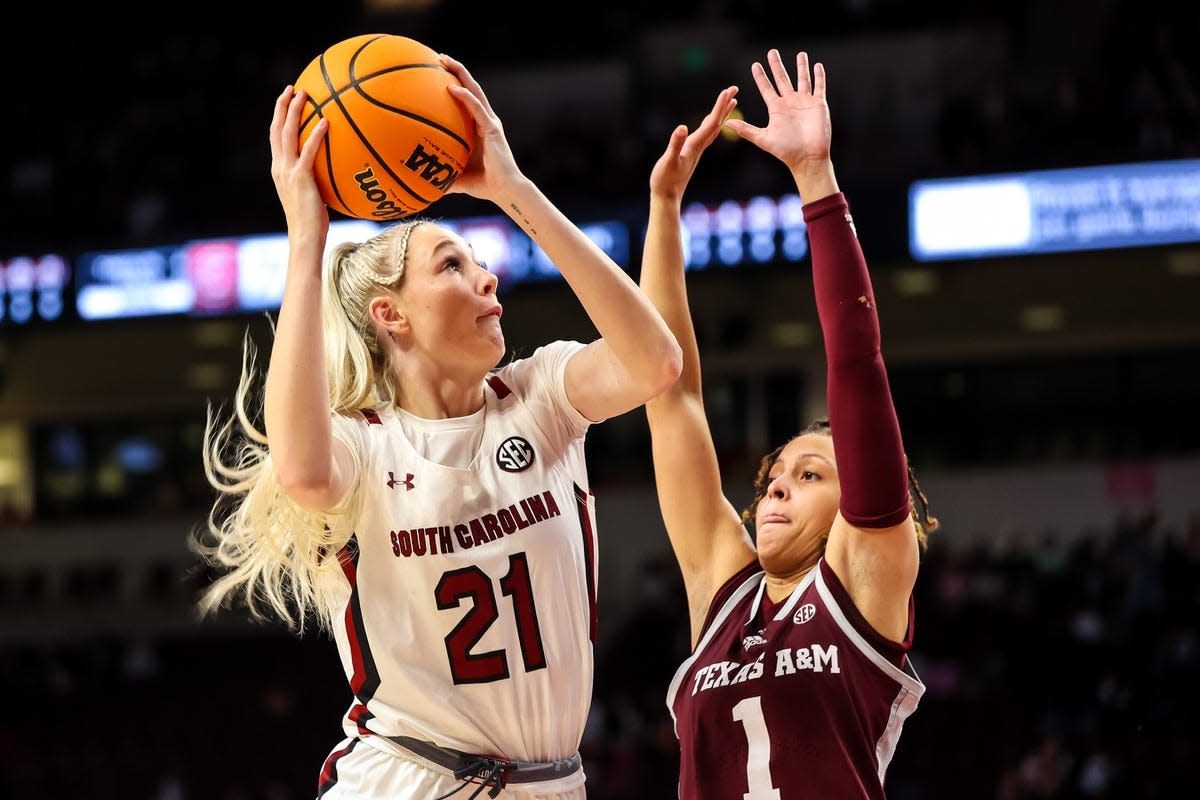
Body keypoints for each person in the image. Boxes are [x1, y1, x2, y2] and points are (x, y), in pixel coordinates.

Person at [195, 53, 682, 800]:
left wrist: (513, 190)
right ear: (391, 315)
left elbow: (655, 363)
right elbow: (300, 470)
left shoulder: (539, 396)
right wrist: (305, 241)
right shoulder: (363, 442)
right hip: (410, 781)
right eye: (454, 264)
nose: (488, 278)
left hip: (552, 785)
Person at [639, 50, 939, 799]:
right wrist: (664, 213)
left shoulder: (866, 582)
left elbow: (857, 366)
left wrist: (816, 182)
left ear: (854, 505)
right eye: (773, 478)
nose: (775, 491)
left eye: (809, 476)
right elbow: (667, 390)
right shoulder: (724, 595)